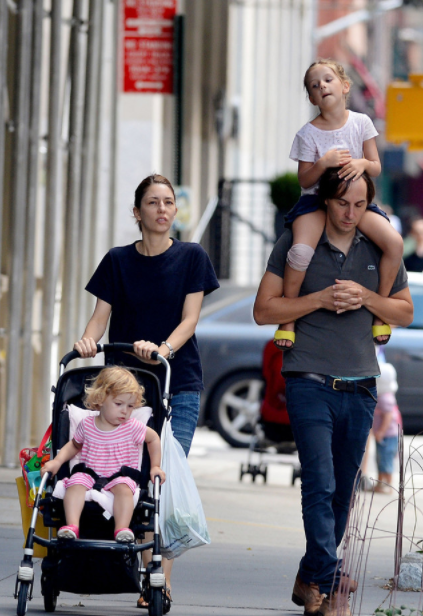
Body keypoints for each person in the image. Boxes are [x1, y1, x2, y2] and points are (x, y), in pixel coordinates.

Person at [253, 168, 413, 616]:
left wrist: (365, 296)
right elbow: (264, 310)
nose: (350, 213)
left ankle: (311, 575)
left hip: (362, 386)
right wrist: (319, 299)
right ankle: (328, 580)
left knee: (344, 490)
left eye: (360, 205)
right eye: (342, 203)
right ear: (325, 200)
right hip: (309, 381)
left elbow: (404, 310)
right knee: (319, 483)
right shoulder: (298, 244)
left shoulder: (379, 247)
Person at [73, 173, 220, 609]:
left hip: (177, 383)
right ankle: (125, 559)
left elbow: (190, 318)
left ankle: (158, 578)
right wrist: (85, 341)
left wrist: (163, 349)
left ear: (175, 211)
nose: (162, 209)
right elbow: (101, 316)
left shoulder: (192, 256)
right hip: (122, 391)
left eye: (168, 202)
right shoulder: (117, 260)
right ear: (137, 213)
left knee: (162, 477)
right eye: (153, 202)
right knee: (122, 473)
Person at [274, 58, 403, 350]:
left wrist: (360, 163)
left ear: (345, 86)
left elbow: (376, 167)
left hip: (355, 200)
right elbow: (305, 181)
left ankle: (380, 310)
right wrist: (323, 163)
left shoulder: (361, 122)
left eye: (327, 80)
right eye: (314, 85)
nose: (322, 87)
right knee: (300, 251)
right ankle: (288, 317)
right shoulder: (307, 133)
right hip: (315, 204)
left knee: (394, 243)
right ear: (311, 97)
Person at [41, 367, 165, 542]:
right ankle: (72, 526)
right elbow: (74, 446)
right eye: (119, 404)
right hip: (89, 474)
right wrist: (56, 462)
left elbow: (153, 439)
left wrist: (155, 466)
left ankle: (122, 528)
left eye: (130, 406)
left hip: (119, 476)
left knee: (124, 488)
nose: (125, 411)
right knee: (75, 483)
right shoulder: (87, 424)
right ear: (100, 399)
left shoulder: (132, 426)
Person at [372, 362, 402, 495]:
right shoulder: (383, 396)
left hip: (388, 435)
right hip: (383, 435)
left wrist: (381, 432)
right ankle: (380, 483)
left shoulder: (385, 398)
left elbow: (388, 417)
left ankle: (389, 486)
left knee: (386, 460)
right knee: (380, 459)